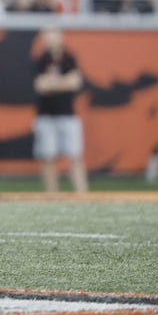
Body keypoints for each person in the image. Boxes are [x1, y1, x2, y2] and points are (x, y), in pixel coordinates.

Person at [33, 27, 89, 194]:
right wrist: (64, 83)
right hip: (46, 116)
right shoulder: (40, 60)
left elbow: (76, 82)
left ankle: (82, 193)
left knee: (75, 156)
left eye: (53, 34)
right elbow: (41, 86)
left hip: (68, 115)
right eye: (47, 35)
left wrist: (54, 84)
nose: (50, 38)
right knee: (48, 157)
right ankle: (52, 194)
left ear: (60, 37)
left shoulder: (69, 58)